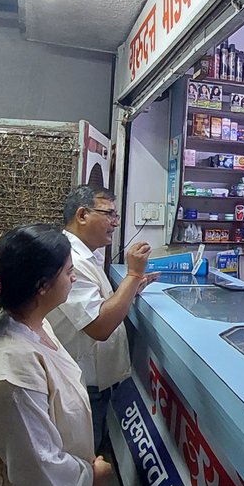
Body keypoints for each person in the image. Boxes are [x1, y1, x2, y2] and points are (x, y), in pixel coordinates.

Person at [0, 224, 113, 486]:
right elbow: (37, 471)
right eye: (69, 272)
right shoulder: (11, 372)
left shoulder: (36, 326)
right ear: (42, 286)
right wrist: (91, 475)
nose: (73, 279)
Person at [49, 185, 158, 454]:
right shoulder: (70, 258)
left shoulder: (88, 255)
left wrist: (131, 288)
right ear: (82, 214)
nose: (115, 222)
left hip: (95, 383)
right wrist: (132, 275)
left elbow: (100, 304)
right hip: (82, 384)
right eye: (109, 214)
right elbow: (99, 326)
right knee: (80, 458)